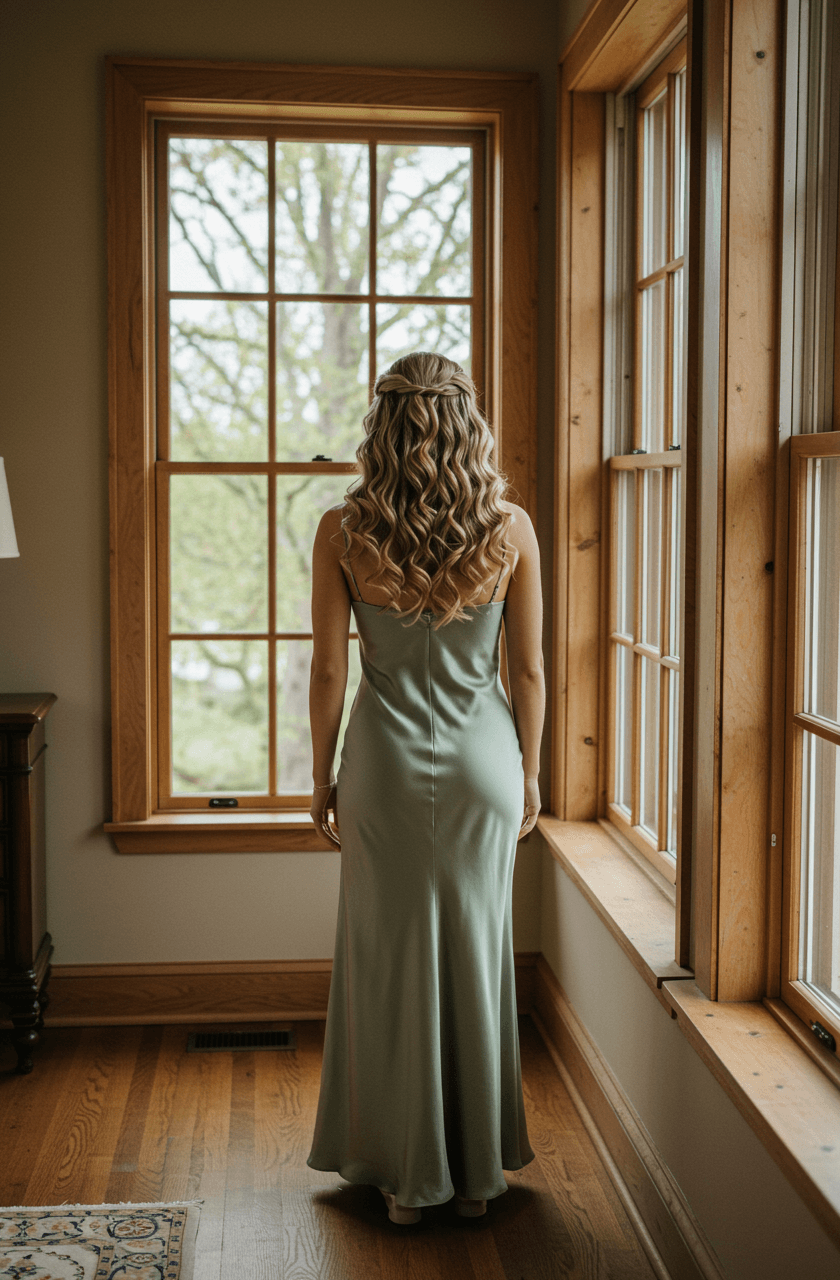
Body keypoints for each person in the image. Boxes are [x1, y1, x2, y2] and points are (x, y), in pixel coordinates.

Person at [305, 351, 544, 1226]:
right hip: (486, 763)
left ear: (384, 424)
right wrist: (532, 772)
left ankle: (401, 1177)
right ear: (466, 421)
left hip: (383, 765)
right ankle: (476, 1179)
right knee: (477, 956)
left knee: (385, 959)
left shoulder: (343, 529)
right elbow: (529, 670)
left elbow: (330, 671)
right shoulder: (508, 527)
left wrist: (318, 778)